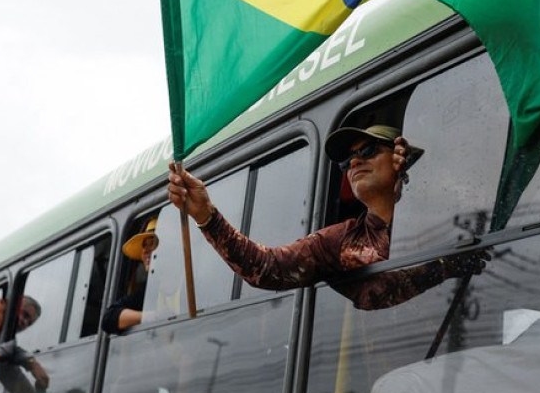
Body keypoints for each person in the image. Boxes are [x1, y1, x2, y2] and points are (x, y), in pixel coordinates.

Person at [167, 124, 489, 310]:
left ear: (400, 156)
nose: (354, 163)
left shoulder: (448, 210)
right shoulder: (339, 241)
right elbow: (264, 268)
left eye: (367, 152)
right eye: (347, 161)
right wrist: (206, 216)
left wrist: (421, 176)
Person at [102, 217, 158, 333]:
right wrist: (151, 317)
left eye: (152, 243)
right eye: (144, 246)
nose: (145, 251)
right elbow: (109, 318)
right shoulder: (148, 291)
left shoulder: (189, 283)